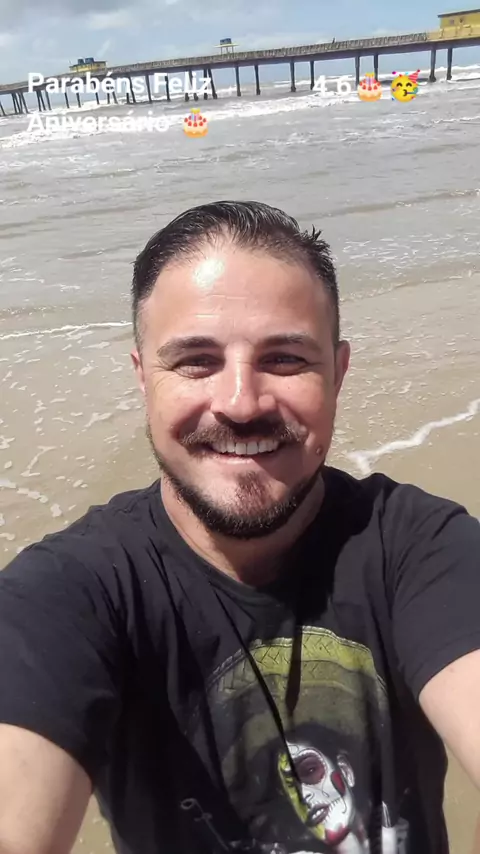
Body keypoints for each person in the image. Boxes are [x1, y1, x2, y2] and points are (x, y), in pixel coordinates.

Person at [0, 200, 479, 854]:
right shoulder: (73, 593)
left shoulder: (420, 549)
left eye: (285, 359)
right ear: (143, 378)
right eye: (196, 361)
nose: (240, 403)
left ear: (338, 373)